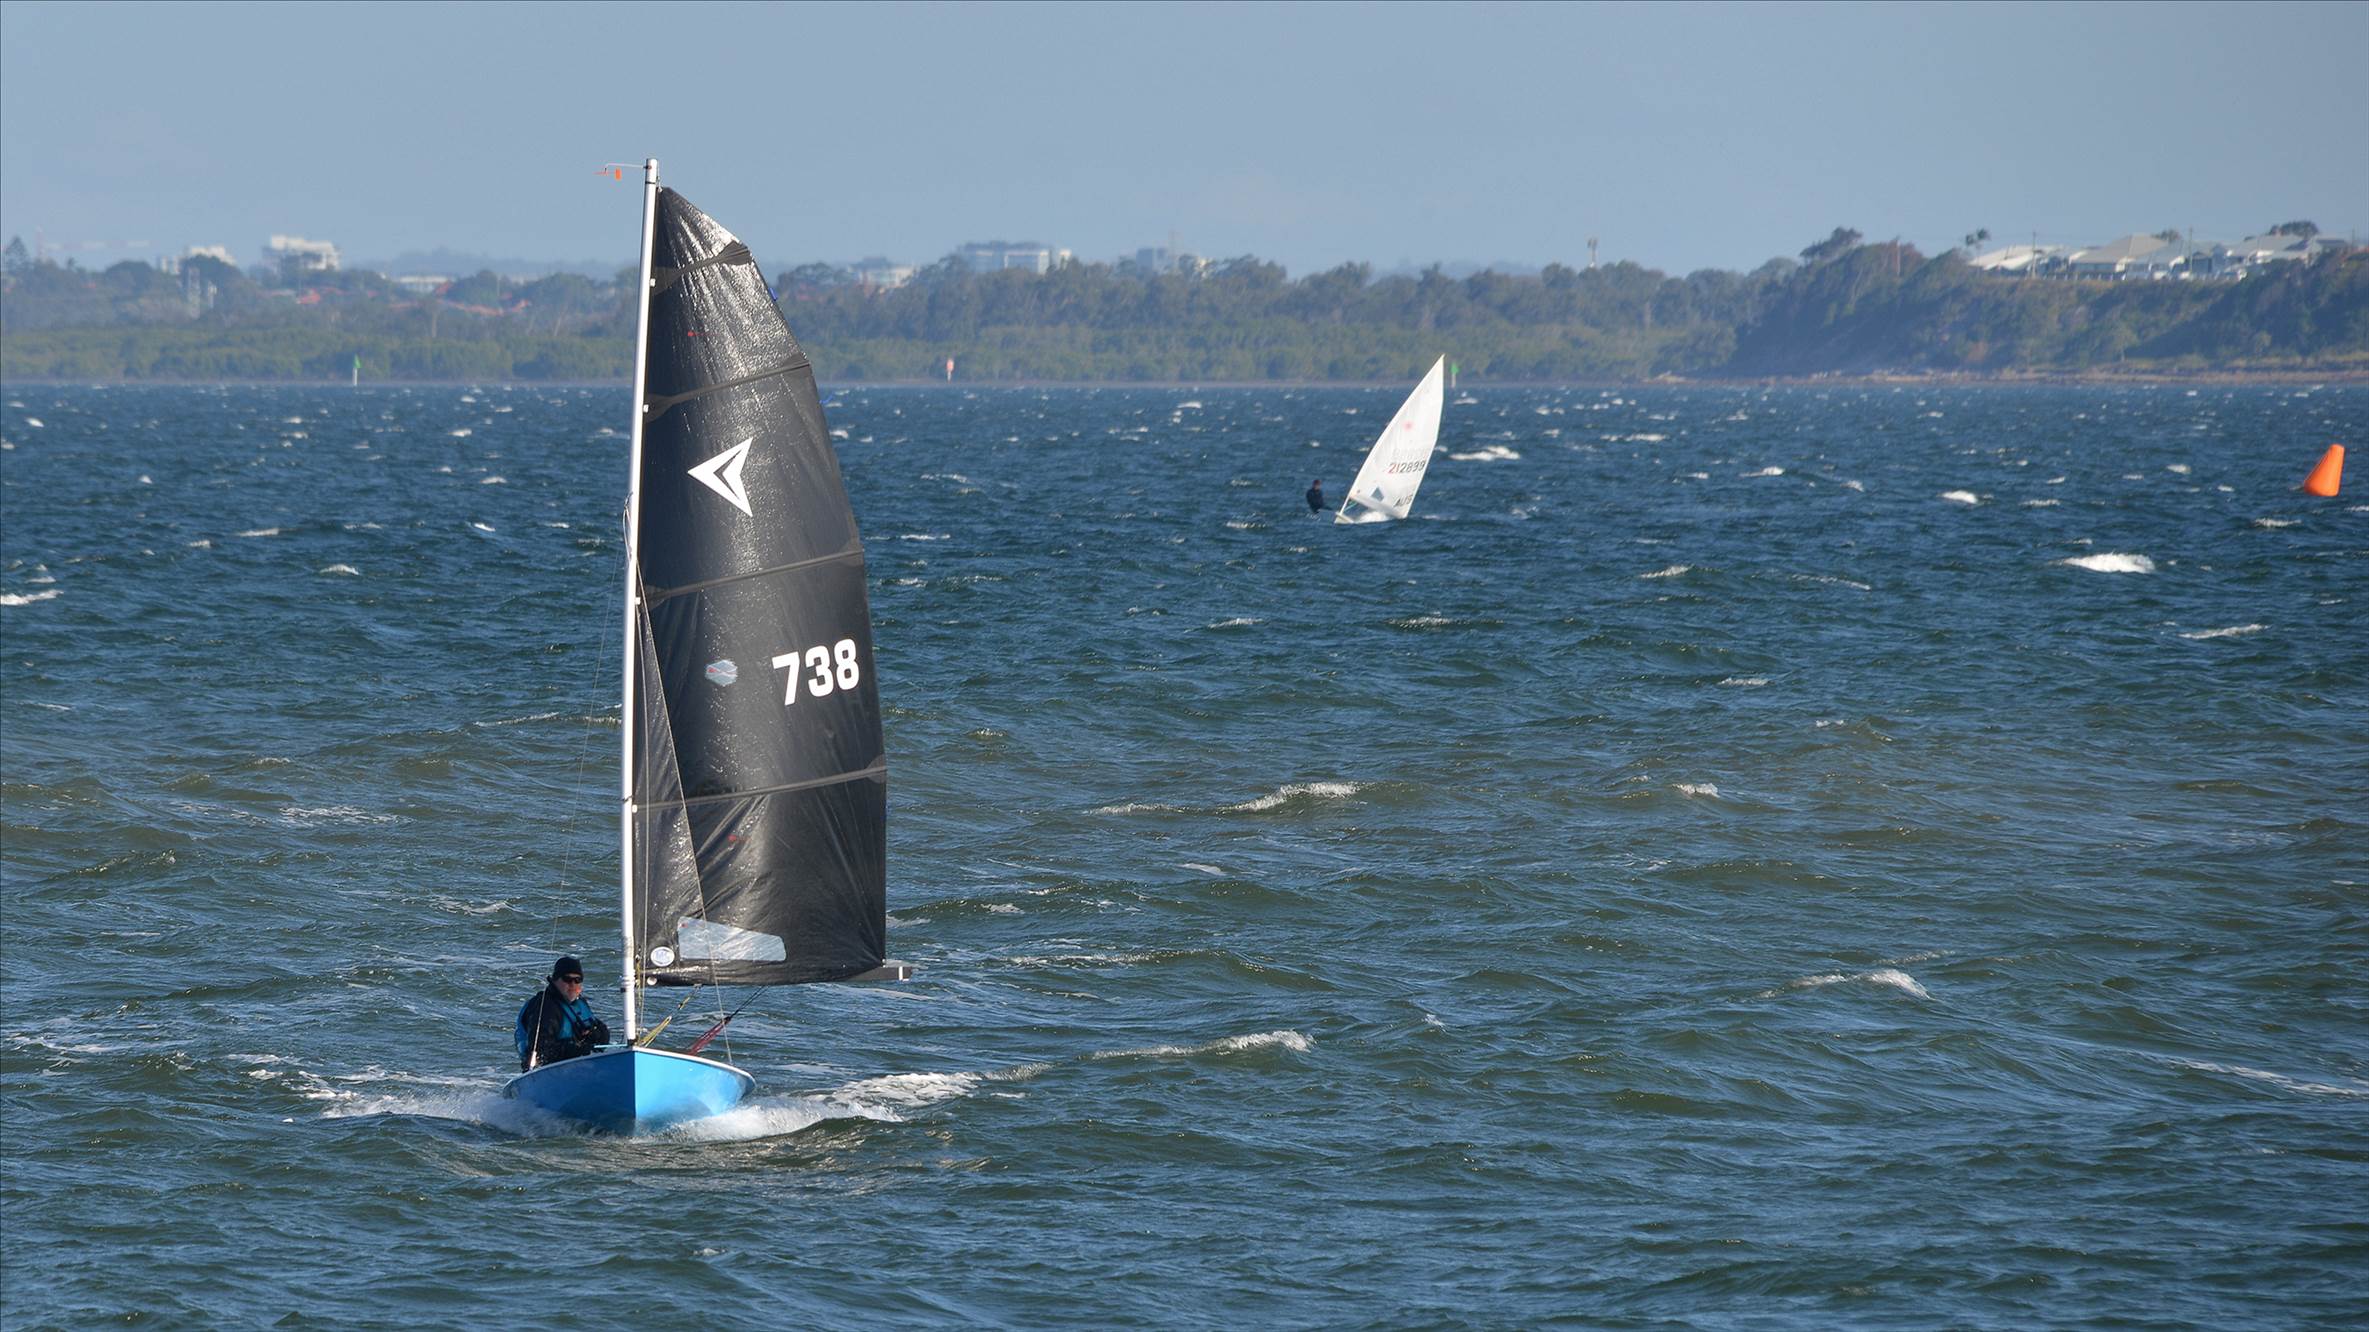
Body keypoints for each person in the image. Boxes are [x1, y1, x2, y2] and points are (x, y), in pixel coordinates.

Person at [514, 955, 611, 1072]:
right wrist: (576, 1049)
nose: (573, 984)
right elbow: (542, 1051)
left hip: (580, 1068)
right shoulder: (545, 1007)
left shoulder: (579, 1004)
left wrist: (596, 1034)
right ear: (555, 980)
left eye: (577, 980)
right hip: (548, 1072)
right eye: (567, 979)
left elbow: (602, 1033)